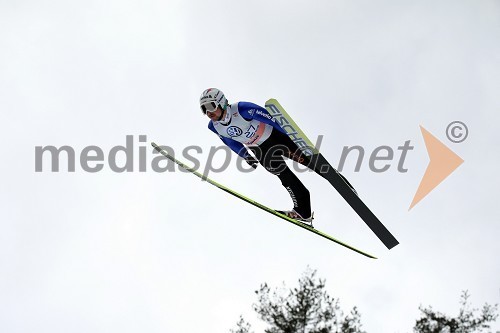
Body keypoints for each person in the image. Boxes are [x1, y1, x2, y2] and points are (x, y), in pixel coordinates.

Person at [200, 88, 317, 225]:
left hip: (276, 138)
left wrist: (291, 136)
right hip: (260, 150)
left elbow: (272, 119)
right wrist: (245, 155)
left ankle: (340, 181)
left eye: (210, 106)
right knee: (284, 176)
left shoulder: (243, 109)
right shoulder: (214, 126)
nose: (208, 113)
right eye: (204, 109)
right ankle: (303, 212)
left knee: (312, 163)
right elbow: (229, 141)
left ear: (221, 103)